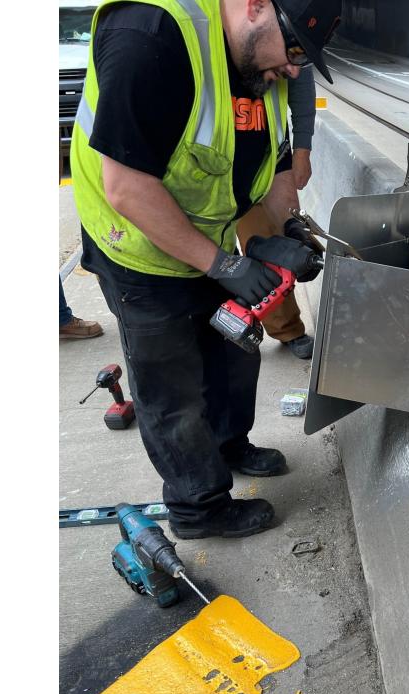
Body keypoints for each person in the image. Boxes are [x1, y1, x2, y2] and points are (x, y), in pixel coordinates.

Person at [70, 0, 341, 540]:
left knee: (233, 350)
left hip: (208, 233)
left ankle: (229, 444)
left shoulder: (260, 57)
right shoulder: (150, 34)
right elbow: (127, 187)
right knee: (172, 388)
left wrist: (286, 230)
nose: (291, 70)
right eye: (291, 53)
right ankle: (199, 507)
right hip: (138, 247)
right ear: (256, 6)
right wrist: (223, 264)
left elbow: (277, 157)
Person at [238, 66, 317, 359]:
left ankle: (287, 328)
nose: (293, 66)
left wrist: (301, 149)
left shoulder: (293, 46)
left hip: (269, 147)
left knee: (274, 244)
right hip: (213, 161)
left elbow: (301, 82)